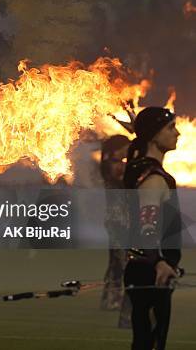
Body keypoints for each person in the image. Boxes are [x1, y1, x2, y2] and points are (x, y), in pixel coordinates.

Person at [123, 107, 182, 350]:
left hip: (146, 270)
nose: (177, 133)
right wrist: (159, 261)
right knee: (150, 344)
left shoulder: (141, 170)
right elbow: (147, 227)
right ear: (154, 135)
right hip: (150, 273)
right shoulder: (154, 178)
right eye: (170, 127)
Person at [99, 135, 132, 328]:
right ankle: (113, 298)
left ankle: (109, 297)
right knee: (120, 261)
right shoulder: (111, 165)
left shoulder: (112, 163)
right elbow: (123, 178)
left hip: (120, 218)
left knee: (116, 261)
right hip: (118, 219)